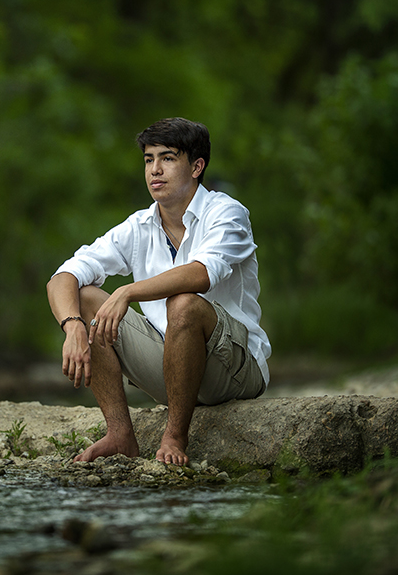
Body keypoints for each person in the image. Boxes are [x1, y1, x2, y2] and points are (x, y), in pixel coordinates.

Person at [46, 117, 271, 465]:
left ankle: (175, 437)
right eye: (149, 159)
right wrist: (73, 324)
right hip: (174, 369)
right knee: (87, 297)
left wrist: (128, 292)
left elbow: (202, 274)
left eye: (167, 158)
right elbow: (64, 276)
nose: (155, 170)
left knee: (183, 304)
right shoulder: (139, 225)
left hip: (235, 371)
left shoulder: (227, 213)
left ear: (197, 166)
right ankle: (120, 435)